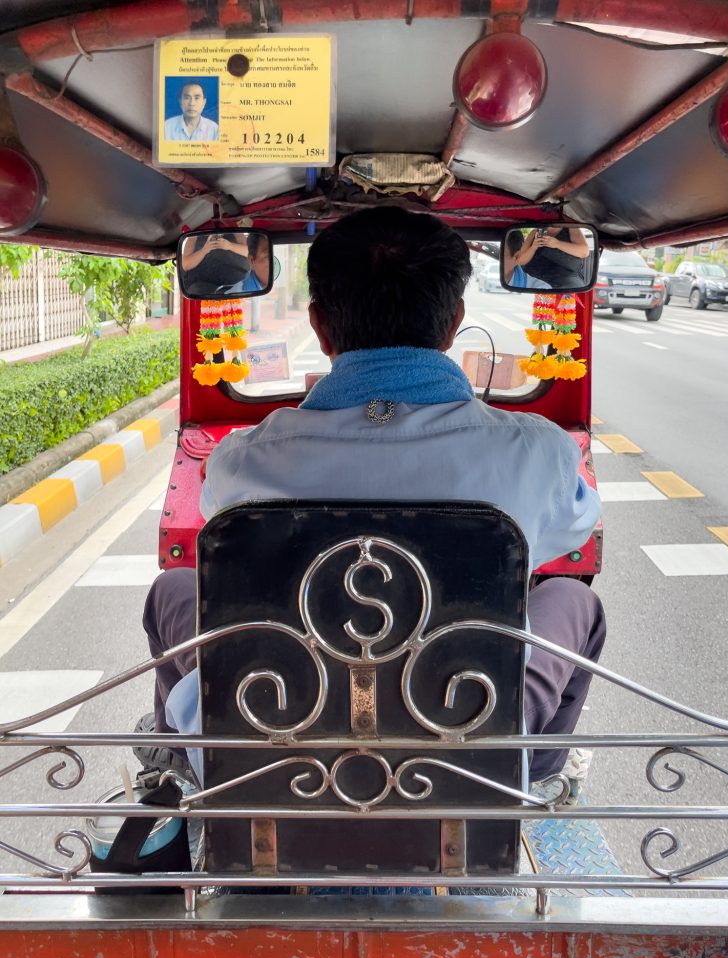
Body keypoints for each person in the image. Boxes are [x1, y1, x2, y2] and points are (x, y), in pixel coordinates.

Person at [138, 207, 605, 793]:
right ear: (455, 319)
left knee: (173, 591)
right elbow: (575, 527)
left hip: (276, 730)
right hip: (469, 732)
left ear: (318, 327)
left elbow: (213, 519)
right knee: (570, 598)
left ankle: (182, 772)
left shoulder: (244, 460)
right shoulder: (537, 452)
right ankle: (524, 775)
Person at [519, 226, 591, 290]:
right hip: (534, 283)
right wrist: (533, 247)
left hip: (563, 284)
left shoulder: (572, 228)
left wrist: (557, 244)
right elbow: (521, 261)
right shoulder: (536, 232)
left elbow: (584, 252)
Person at [181, 233, 252, 294]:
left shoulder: (233, 229)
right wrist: (205, 249)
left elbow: (249, 252)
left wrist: (229, 245)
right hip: (203, 285)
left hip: (235, 284)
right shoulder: (196, 233)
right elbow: (186, 265)